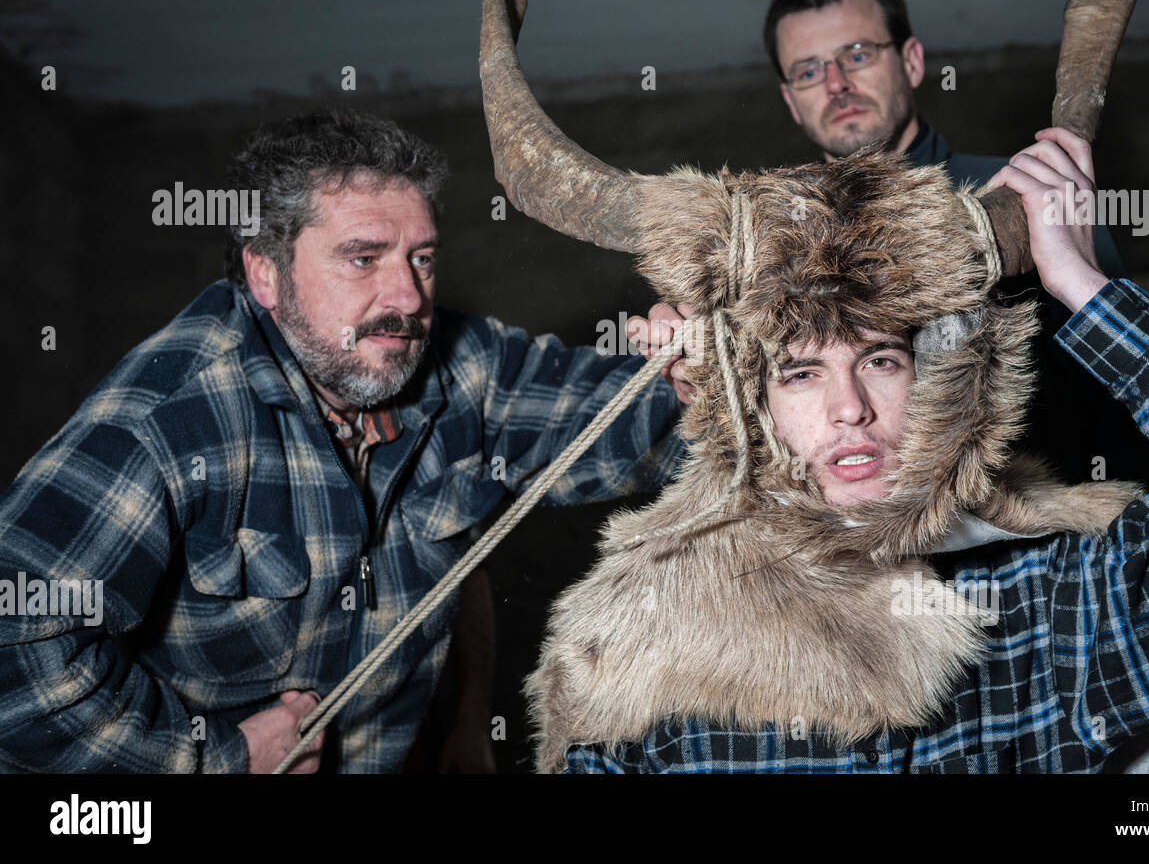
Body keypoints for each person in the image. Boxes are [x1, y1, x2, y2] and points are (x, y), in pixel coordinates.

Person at [528, 129, 1149, 773]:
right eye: (801, 373)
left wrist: (1080, 282)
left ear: (936, 380)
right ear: (751, 406)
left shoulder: (1052, 599)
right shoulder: (642, 640)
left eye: (880, 360)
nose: (850, 408)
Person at [0, 107, 684, 774]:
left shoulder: (459, 364)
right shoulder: (170, 415)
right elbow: (13, 643)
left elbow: (642, 424)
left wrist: (698, 370)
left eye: (422, 257)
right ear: (266, 273)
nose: (409, 296)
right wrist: (214, 757)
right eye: (363, 258)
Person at [763, 0, 1149, 489]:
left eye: (857, 55)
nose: (837, 84)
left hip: (1051, 538)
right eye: (809, 71)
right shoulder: (775, 239)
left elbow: (1129, 395)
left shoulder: (1031, 195)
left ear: (911, 61)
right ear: (791, 99)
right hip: (871, 557)